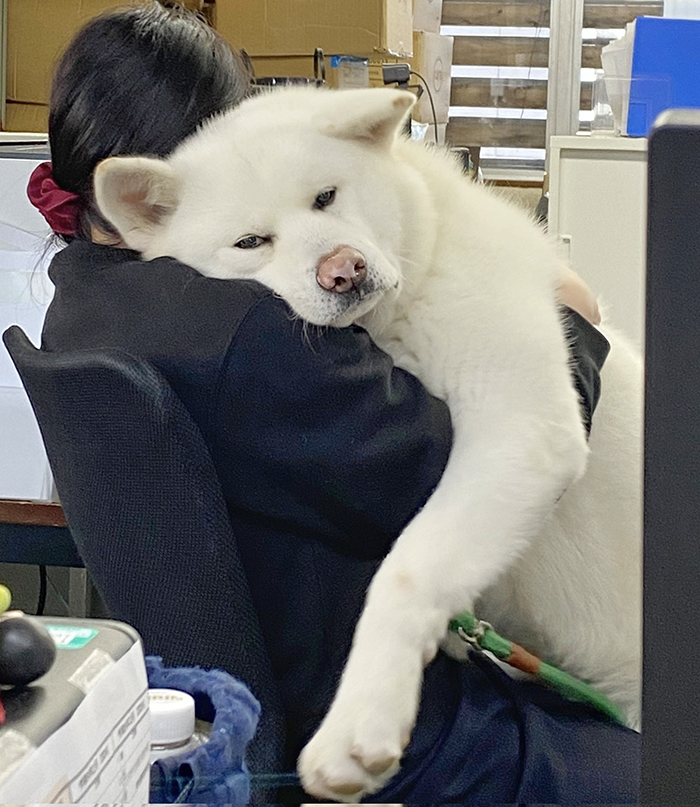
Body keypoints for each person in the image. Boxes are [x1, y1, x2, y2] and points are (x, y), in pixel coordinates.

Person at [25, 2, 639, 801]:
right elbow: (452, 465)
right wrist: (568, 324)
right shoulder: (245, 328)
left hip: (244, 707)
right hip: (396, 728)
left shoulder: (75, 299)